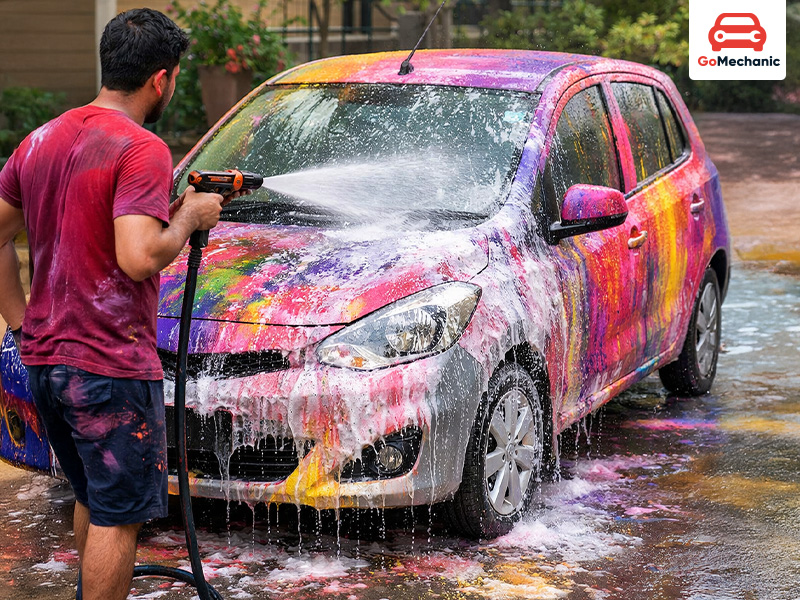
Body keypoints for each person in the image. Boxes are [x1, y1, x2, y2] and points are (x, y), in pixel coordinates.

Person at [0, 9, 226, 600]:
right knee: (118, 516)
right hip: (107, 366)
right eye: (174, 77)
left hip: (47, 363)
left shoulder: (42, 139)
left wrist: (22, 323)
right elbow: (139, 256)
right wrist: (189, 216)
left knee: (93, 499)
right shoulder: (141, 147)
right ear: (162, 79)